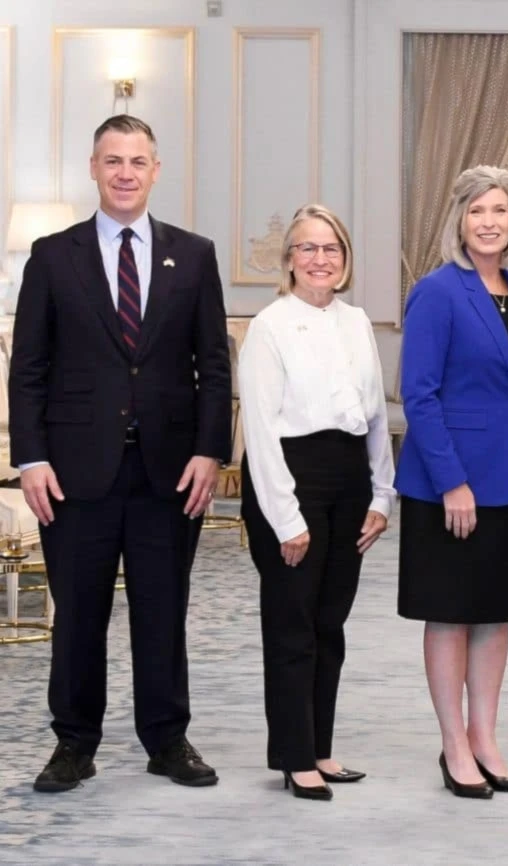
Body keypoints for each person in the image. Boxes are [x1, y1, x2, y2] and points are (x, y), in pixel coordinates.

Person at [9, 114, 232, 792]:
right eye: (113, 160)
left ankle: (167, 740)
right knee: (79, 612)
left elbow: (214, 366)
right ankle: (74, 743)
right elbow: (29, 369)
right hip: (75, 474)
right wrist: (32, 458)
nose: (126, 172)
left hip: (169, 470)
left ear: (156, 170)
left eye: (138, 160)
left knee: (163, 609)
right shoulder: (53, 255)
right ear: (94, 168)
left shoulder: (193, 255)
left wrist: (210, 451)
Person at [395, 165, 508, 799]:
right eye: (478, 210)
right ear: (459, 219)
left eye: (501, 211)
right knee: (450, 615)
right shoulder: (437, 292)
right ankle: (453, 745)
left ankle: (486, 738)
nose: (490, 221)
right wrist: (452, 481)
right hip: (447, 488)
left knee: (492, 615)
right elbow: (419, 395)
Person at [238, 204, 395, 801]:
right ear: (289, 261)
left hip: (349, 478)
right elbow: (259, 429)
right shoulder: (270, 326)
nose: (320, 259)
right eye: (307, 248)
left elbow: (376, 416)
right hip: (290, 481)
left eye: (331, 249)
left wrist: (382, 495)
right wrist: (285, 517)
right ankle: (294, 757)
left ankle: (318, 748)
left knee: (331, 623)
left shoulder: (357, 322)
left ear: (345, 259)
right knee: (292, 624)